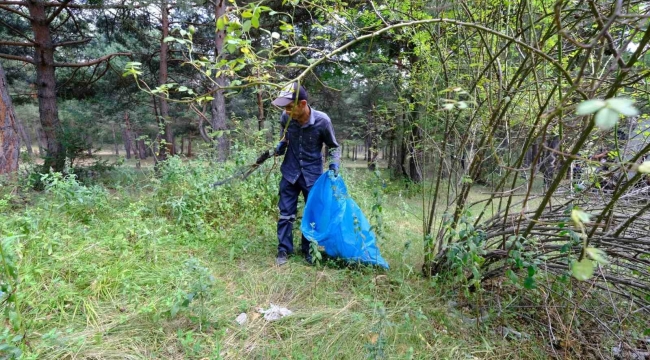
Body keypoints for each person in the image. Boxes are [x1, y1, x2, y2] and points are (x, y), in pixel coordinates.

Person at [271, 82, 340, 266]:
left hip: (312, 176)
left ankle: (309, 250)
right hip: (290, 173)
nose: (286, 111)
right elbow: (285, 138)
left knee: (312, 215)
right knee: (286, 213)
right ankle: (283, 250)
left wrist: (334, 165)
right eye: (284, 107)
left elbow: (334, 147)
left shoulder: (322, 121)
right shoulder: (286, 118)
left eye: (289, 106)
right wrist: (281, 146)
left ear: (302, 104)